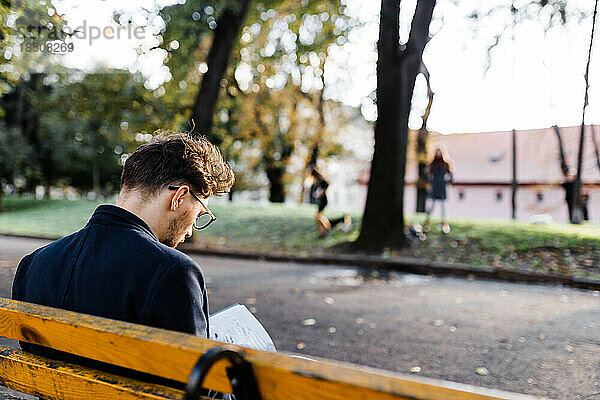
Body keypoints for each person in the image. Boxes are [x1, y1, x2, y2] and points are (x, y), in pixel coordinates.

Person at [12, 132, 234, 382]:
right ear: (179, 197)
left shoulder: (34, 264)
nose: (191, 229)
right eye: (200, 212)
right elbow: (201, 387)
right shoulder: (174, 272)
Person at [310, 168, 350, 237]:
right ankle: (323, 230)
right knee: (318, 217)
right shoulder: (318, 180)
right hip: (321, 201)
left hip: (323, 201)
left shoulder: (322, 180)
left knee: (318, 217)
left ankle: (326, 228)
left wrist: (320, 194)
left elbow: (325, 188)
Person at [424, 148, 453, 234]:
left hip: (442, 188)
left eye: (439, 153)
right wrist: (431, 182)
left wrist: (446, 181)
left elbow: (451, 176)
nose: (438, 154)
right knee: (431, 206)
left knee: (443, 208)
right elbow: (427, 175)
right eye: (437, 153)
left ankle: (444, 224)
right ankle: (427, 223)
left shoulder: (445, 164)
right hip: (435, 187)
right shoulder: (432, 165)